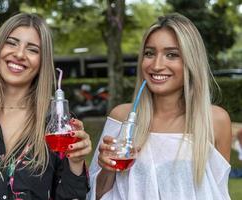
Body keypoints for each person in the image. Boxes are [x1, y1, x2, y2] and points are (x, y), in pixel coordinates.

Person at [0, 13, 91, 200]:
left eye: (32, 49)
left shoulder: (58, 126)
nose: (19, 54)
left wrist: (76, 163)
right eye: (11, 43)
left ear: (42, 62)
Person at [88, 13, 232, 200]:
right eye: (149, 53)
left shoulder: (215, 121)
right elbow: (97, 194)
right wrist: (107, 169)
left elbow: (218, 192)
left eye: (171, 55)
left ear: (191, 61)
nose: (156, 65)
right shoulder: (122, 116)